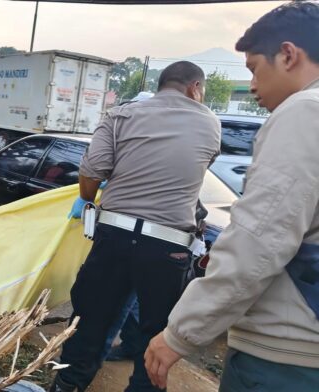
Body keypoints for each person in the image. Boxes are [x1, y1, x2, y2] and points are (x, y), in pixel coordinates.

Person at [144, 3, 319, 391]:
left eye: (255, 68)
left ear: (288, 55)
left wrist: (180, 333)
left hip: (285, 355)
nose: (253, 85)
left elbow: (258, 240)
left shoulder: (304, 112)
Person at [49, 61, 221, 392]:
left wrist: (88, 203)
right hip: (168, 247)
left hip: (113, 234)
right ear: (195, 87)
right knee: (154, 334)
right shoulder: (211, 123)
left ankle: (66, 386)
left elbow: (93, 170)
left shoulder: (121, 115)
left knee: (87, 323)